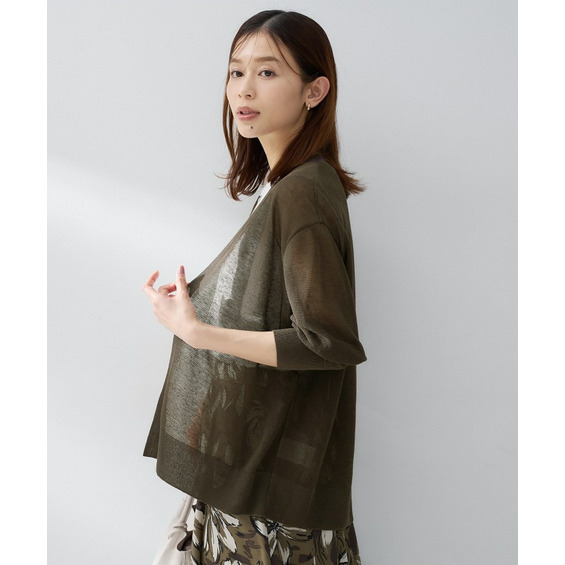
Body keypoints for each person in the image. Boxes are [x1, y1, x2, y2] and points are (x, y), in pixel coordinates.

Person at [142, 9, 367, 565]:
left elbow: (326, 342)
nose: (244, 89)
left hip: (268, 494)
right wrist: (198, 312)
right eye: (236, 71)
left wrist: (198, 333)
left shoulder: (302, 192)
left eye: (267, 72)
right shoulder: (283, 185)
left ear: (315, 91)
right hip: (250, 469)